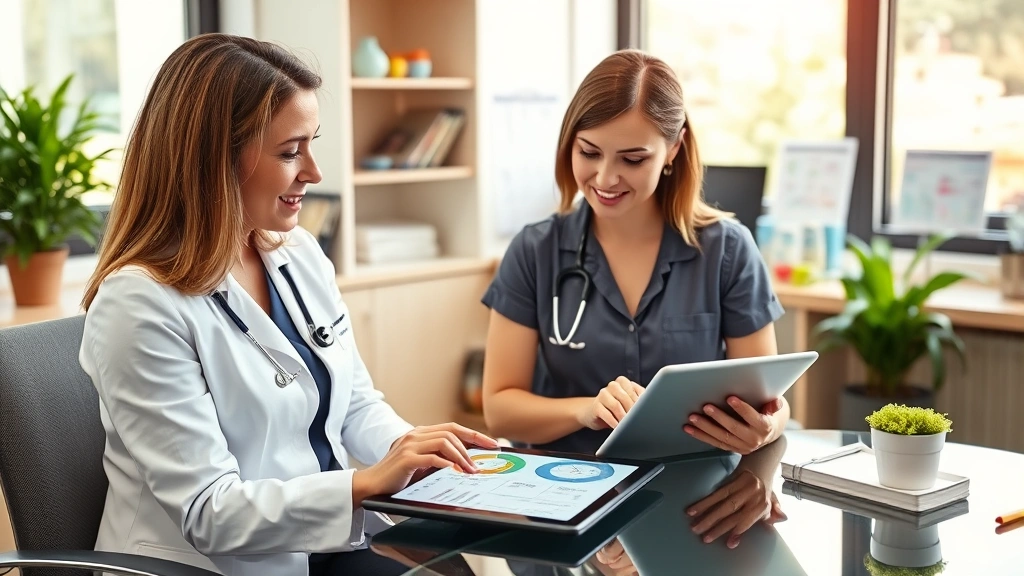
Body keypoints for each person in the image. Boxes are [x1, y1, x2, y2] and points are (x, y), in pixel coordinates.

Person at [80, 33, 496, 576]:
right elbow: (209, 512)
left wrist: (414, 452)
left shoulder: (295, 253)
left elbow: (352, 403)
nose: (314, 173)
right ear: (214, 161)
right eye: (290, 152)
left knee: (454, 569)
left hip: (322, 542)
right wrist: (366, 482)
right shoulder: (138, 304)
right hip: (213, 563)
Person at [480, 49, 787, 546]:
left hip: (696, 510)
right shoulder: (535, 251)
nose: (604, 179)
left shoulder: (727, 250)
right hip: (562, 506)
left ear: (673, 149)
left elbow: (772, 403)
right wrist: (586, 410)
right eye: (589, 152)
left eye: (633, 158)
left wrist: (764, 433)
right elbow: (500, 408)